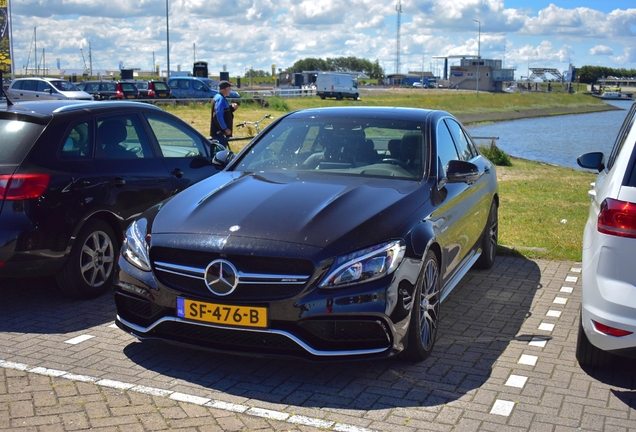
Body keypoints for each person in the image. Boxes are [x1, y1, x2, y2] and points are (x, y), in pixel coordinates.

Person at [210, 80, 238, 148]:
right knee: (220, 155)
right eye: (229, 88)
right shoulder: (220, 99)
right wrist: (225, 129)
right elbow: (217, 115)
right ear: (225, 89)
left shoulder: (220, 97)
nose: (230, 90)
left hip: (220, 134)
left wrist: (231, 108)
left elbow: (224, 112)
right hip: (219, 134)